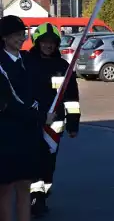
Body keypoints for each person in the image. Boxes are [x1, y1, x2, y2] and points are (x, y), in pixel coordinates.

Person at [26, 23, 81, 216]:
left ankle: (43, 192)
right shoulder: (25, 62)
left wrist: (73, 124)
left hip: (54, 124)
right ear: (37, 42)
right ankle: (35, 198)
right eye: (44, 42)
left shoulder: (63, 67)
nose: (48, 45)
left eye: (52, 42)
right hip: (31, 121)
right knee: (32, 160)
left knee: (48, 162)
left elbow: (72, 98)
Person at [0, 15, 45, 221]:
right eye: (16, 35)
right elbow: (8, 104)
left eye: (23, 34)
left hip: (28, 134)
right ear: (5, 37)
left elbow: (39, 88)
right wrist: (39, 115)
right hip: (6, 135)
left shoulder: (27, 60)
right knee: (6, 190)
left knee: (25, 186)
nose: (21, 38)